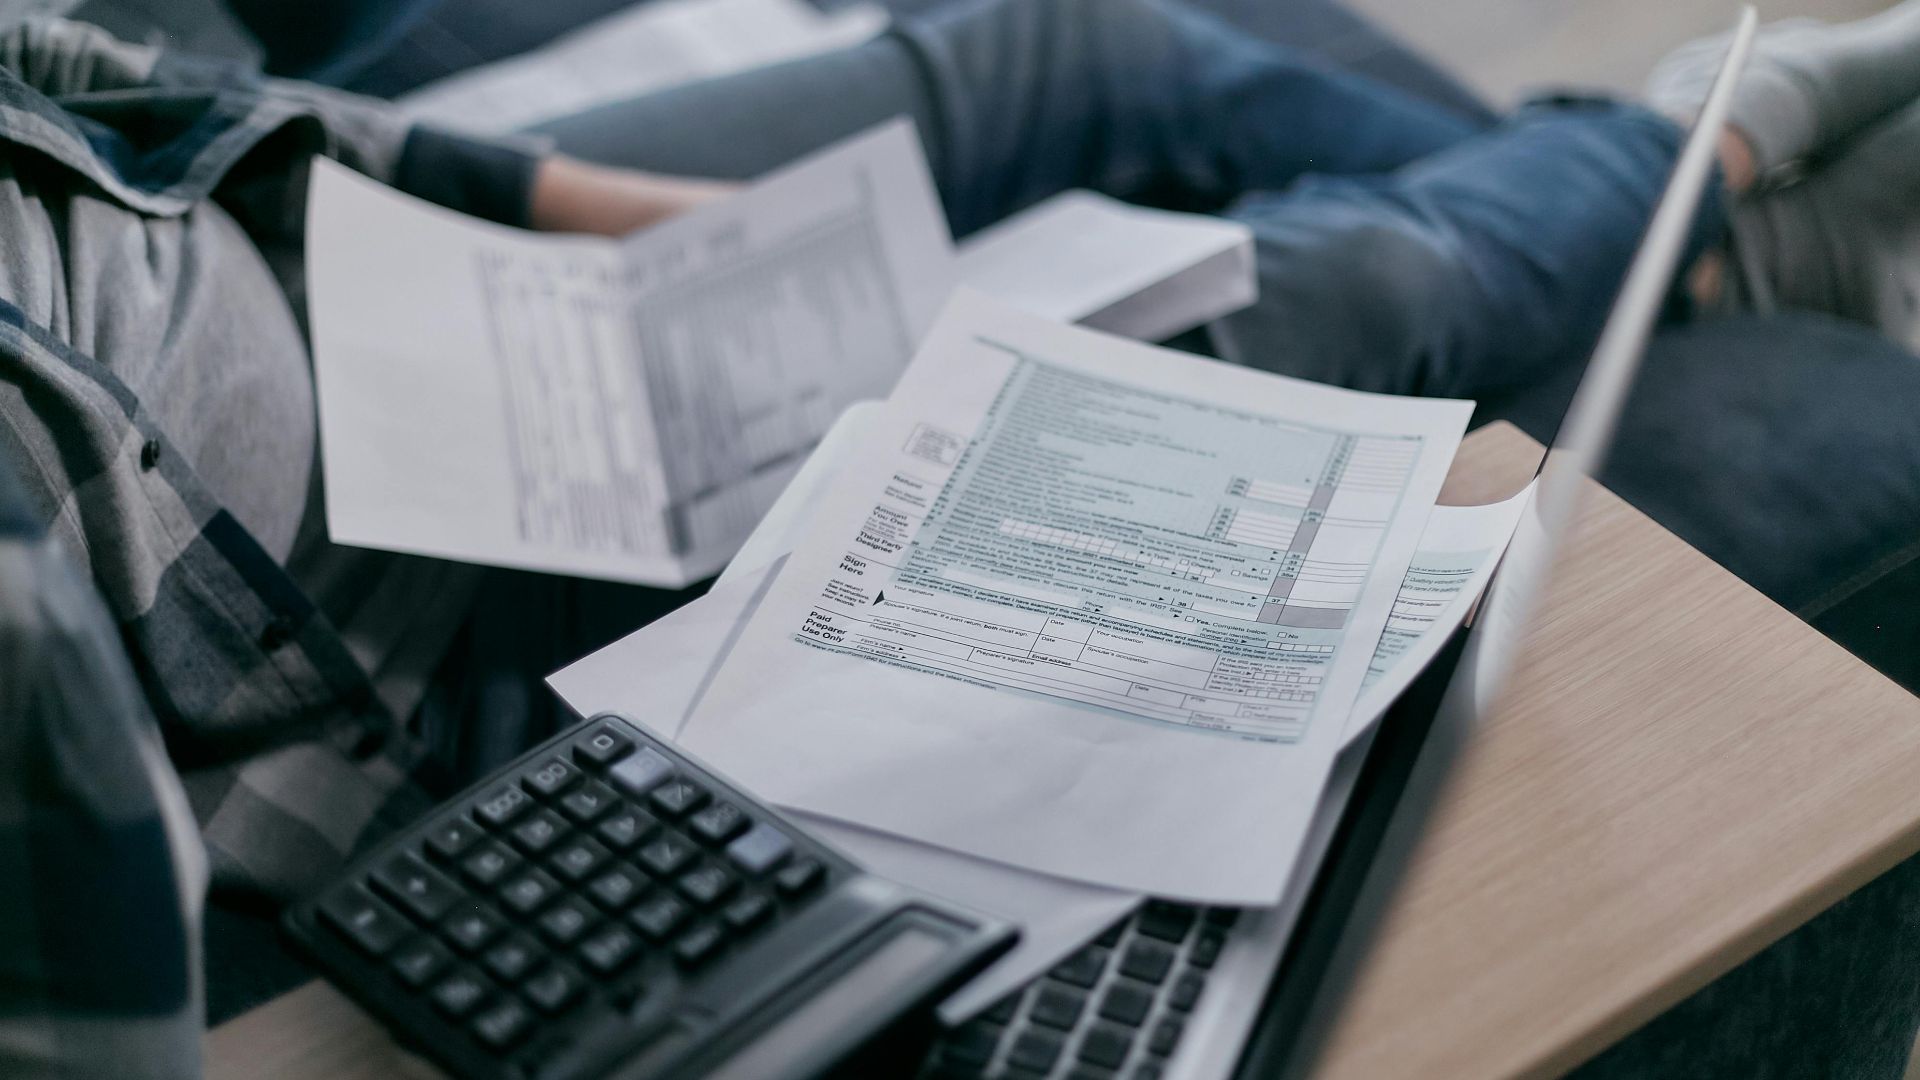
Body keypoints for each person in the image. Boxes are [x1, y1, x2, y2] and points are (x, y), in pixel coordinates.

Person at [0, 0, 1915, 1072]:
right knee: (1342, 296)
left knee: (1066, 51)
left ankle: (1670, 222)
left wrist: (591, 221)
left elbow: (76, 73)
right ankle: (1714, 168)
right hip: (415, 657)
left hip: (396, 281)